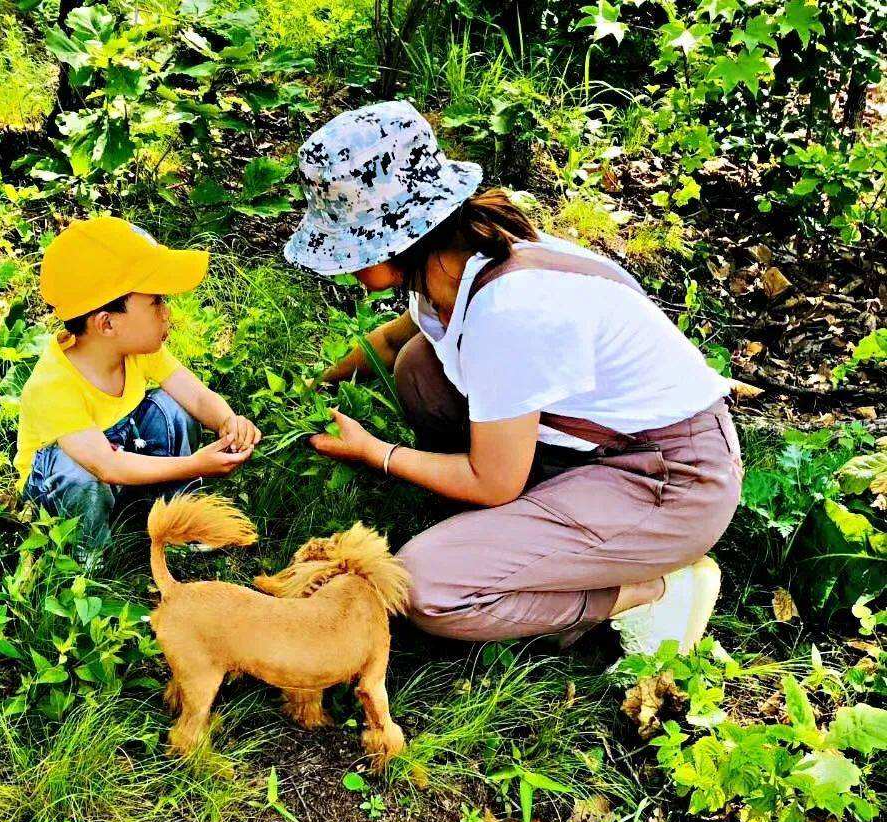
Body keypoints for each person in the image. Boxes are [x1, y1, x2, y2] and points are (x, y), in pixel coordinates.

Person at [283, 101, 743, 655]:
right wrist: (315, 388)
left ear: (397, 240)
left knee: (423, 587)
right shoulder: (457, 265)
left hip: (671, 479)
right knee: (418, 367)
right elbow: (387, 341)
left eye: (347, 245)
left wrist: (377, 453)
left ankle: (649, 589)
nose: (340, 264)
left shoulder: (509, 312)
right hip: (595, 446)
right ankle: (523, 536)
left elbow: (492, 481)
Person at [15, 216, 261, 549]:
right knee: (78, 473)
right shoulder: (52, 386)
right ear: (107, 324)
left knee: (173, 409)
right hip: (68, 486)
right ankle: (86, 559)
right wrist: (195, 464)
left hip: (122, 464)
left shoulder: (138, 350)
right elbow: (106, 465)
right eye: (156, 302)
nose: (167, 313)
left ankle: (173, 521)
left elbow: (198, 398)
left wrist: (229, 422)